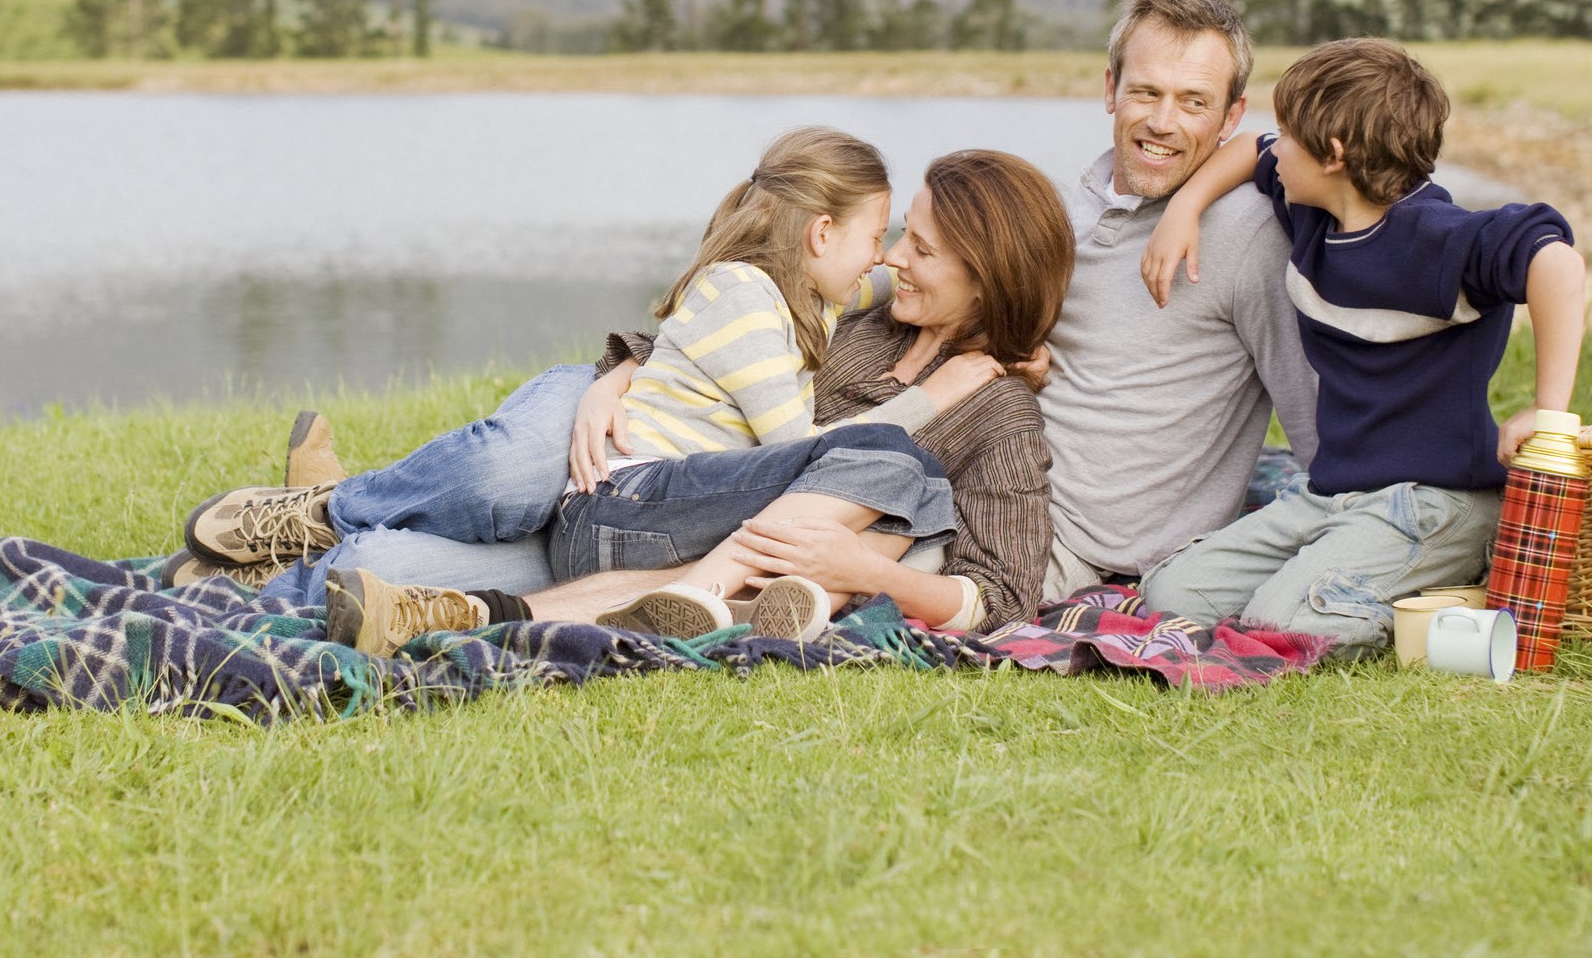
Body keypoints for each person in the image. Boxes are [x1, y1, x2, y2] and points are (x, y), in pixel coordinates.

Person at [170, 128, 1004, 627]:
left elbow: (875, 283)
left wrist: (983, 319)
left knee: (407, 568)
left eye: (913, 247)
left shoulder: (818, 294)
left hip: (646, 511)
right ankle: (321, 508)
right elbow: (797, 444)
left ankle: (256, 579)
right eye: (882, 236)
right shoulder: (755, 298)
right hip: (626, 495)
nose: (890, 257)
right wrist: (942, 391)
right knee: (897, 465)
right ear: (820, 235)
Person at [324, 149, 1074, 656]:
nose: (892, 256)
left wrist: (866, 569)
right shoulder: (855, 310)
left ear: (987, 276)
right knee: (504, 470)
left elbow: (1002, 596)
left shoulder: (1000, 412)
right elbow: (705, 341)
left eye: (924, 249)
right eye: (901, 233)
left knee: (381, 564)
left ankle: (483, 614)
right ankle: (301, 515)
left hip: (659, 547)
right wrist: (615, 378)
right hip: (640, 484)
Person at [1132, 36, 1588, 659]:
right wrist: (1183, 207)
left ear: (1334, 156)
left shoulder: (1438, 241)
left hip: (1436, 500)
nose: (1277, 145)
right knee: (1171, 592)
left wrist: (1548, 410)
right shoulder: (1313, 215)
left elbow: (1555, 260)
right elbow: (1246, 150)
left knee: (1280, 627)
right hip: (1330, 495)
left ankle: (1457, 595)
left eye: (1290, 134)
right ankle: (1365, 579)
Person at [1032, 0, 1320, 602]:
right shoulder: (1063, 205)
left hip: (1087, 547)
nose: (1163, 122)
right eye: (1146, 92)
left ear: (1232, 117)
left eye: (1194, 102)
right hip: (994, 479)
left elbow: (1313, 419)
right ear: (1111, 88)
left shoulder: (1251, 237)